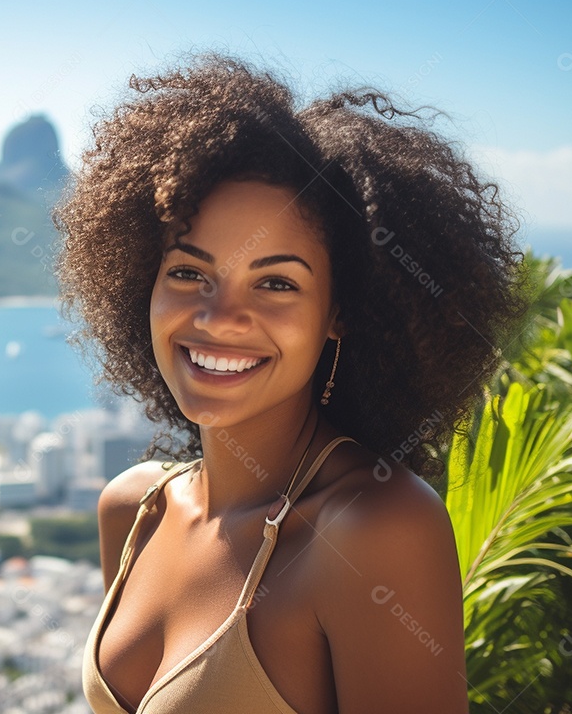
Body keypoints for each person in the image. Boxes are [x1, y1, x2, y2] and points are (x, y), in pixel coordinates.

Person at [54, 53, 525, 714]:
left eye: (276, 283)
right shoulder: (133, 510)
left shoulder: (375, 531)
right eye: (189, 273)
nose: (219, 318)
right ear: (142, 282)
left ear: (340, 313)